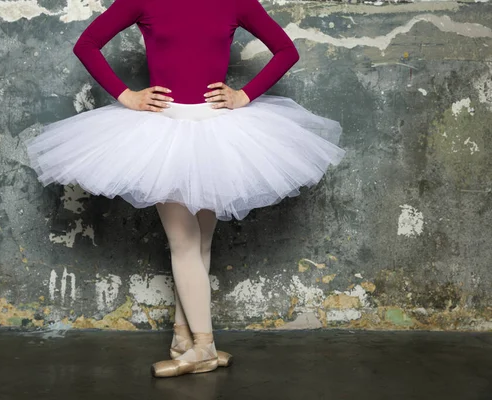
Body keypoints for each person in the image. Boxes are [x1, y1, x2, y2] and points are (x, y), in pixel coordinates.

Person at [25, 0, 346, 378]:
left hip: (217, 133)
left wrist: (244, 95)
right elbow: (87, 44)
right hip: (165, 132)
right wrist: (126, 95)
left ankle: (193, 343)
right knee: (184, 244)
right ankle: (198, 344)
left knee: (200, 245)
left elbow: (286, 50)